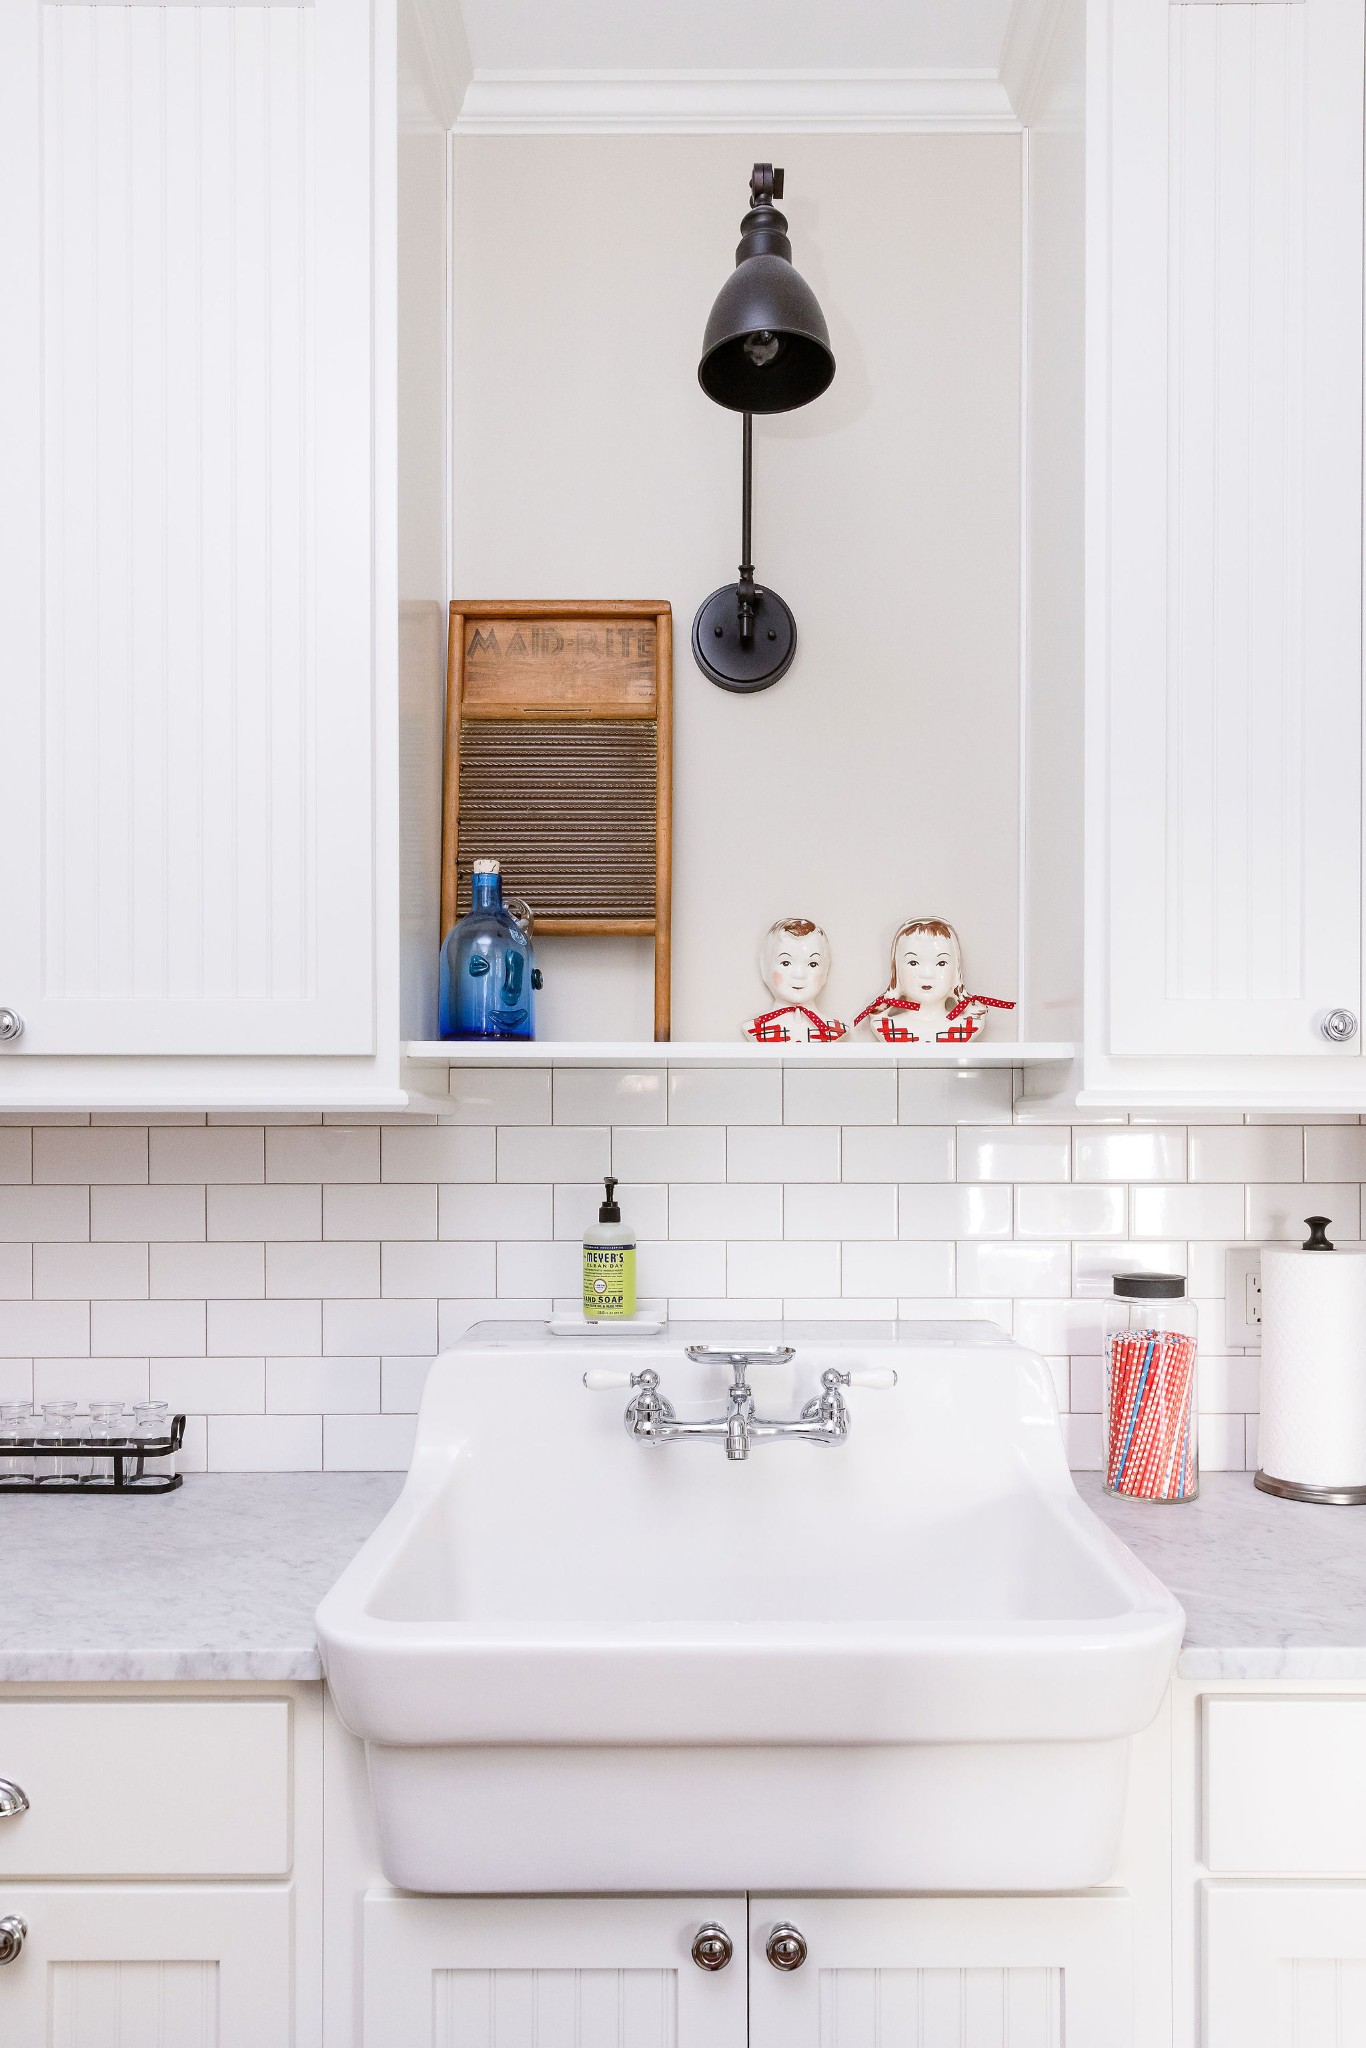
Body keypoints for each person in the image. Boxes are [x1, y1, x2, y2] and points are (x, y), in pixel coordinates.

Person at [854, 918, 1014, 1043]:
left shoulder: (969, 1024)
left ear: (956, 971)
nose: (927, 974)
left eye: (941, 963)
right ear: (897, 971)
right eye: (913, 963)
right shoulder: (885, 1025)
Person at [742, 918, 847, 1044]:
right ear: (765, 968)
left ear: (825, 970)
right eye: (785, 963)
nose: (799, 975)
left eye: (812, 964)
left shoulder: (835, 1029)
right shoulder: (754, 1029)